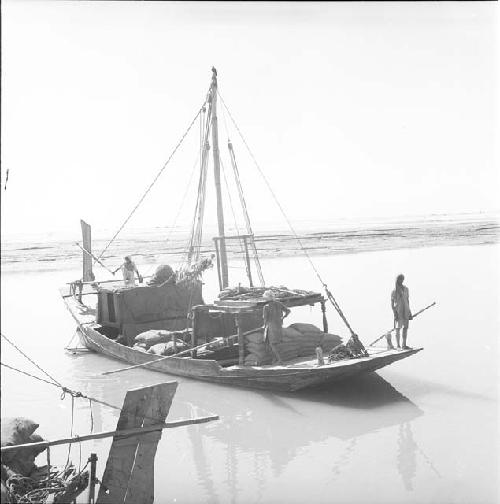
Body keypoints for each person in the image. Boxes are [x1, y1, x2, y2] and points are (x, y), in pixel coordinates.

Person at [262, 290, 290, 365]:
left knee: (272, 344)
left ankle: (280, 360)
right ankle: (275, 360)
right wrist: (283, 317)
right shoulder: (279, 304)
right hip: (279, 326)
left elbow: (265, 319)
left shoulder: (266, 307)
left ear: (267, 298)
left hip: (271, 327)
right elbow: (288, 311)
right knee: (277, 343)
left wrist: (264, 326)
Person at [388, 273, 413, 350]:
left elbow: (407, 301)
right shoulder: (394, 291)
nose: (401, 281)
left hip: (406, 310)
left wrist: (410, 312)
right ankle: (398, 345)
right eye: (400, 279)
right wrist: (394, 313)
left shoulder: (406, 289)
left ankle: (404, 344)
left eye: (402, 279)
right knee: (398, 328)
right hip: (398, 311)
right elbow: (392, 304)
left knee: (405, 327)